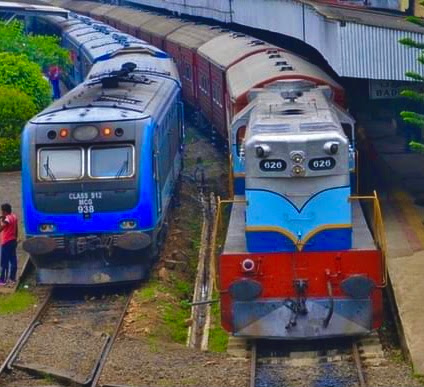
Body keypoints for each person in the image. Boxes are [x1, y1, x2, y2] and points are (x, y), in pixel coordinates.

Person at [0, 203, 18, 286]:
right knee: (13, 260)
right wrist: (16, 238)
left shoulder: (7, 219)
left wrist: (1, 221)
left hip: (6, 242)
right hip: (13, 241)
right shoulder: (14, 217)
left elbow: (1, 228)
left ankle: (3, 280)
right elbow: (16, 229)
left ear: (4, 211)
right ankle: (12, 278)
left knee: (4, 262)